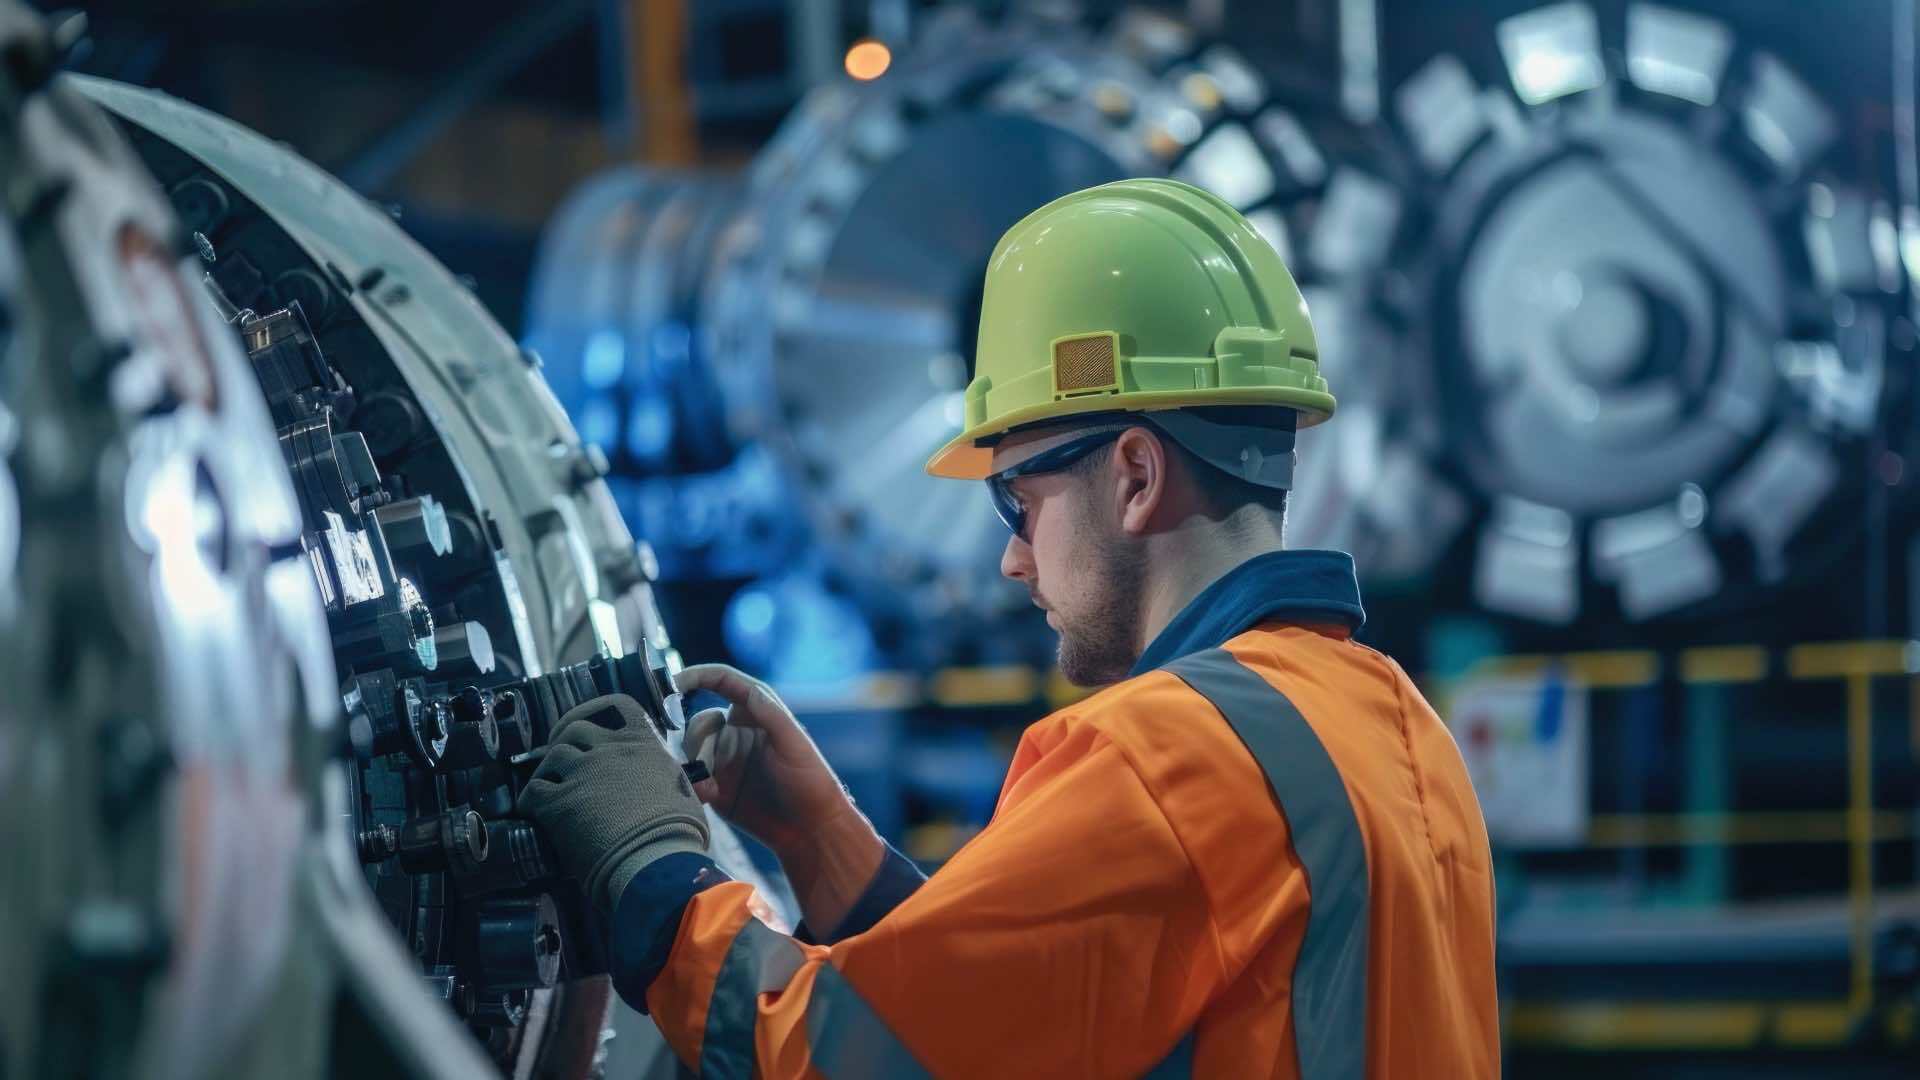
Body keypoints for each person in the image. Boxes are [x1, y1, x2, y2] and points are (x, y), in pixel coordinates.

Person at [517, 179, 1499, 1077]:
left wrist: (649, 865)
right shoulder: (1396, 727)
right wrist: (818, 836)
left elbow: (836, 1059)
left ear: (1134, 475)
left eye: (1016, 499)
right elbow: (1022, 1018)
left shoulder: (1165, 759)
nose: (1013, 558)